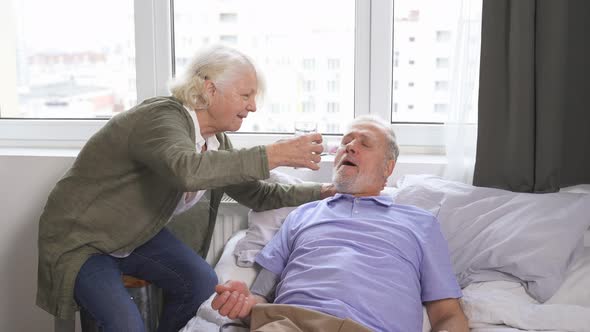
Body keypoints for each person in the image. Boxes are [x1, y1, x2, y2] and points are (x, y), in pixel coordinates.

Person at [36, 45, 336, 332]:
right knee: (126, 326)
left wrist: (325, 190)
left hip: (135, 236)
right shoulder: (161, 118)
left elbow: (258, 193)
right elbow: (186, 171)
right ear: (209, 89)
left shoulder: (215, 142)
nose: (253, 106)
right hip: (85, 239)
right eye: (245, 95)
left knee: (200, 283)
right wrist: (275, 154)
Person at [211, 116, 468, 332]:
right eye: (346, 142)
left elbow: (447, 314)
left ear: (388, 168)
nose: (350, 147)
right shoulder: (302, 215)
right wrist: (242, 303)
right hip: (290, 323)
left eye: (364, 144)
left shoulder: (420, 223)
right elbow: (261, 295)